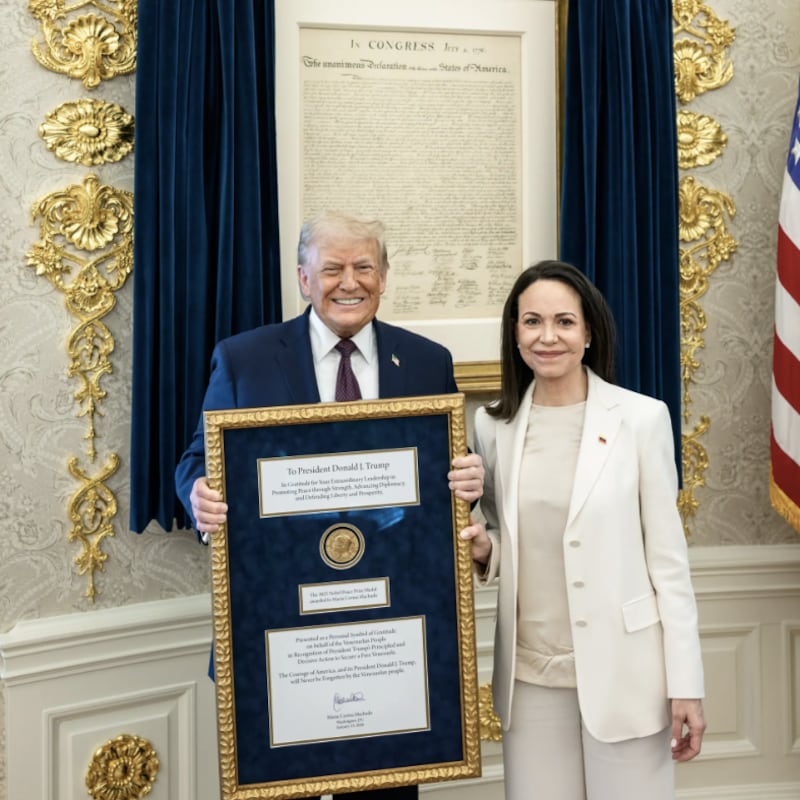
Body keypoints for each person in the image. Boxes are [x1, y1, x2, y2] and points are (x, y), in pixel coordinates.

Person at [175, 210, 485, 800]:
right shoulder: (244, 358)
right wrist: (199, 495)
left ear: (384, 277)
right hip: (279, 627)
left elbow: (443, 470)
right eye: (334, 268)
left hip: (389, 630)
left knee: (385, 791)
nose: (350, 282)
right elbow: (198, 458)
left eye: (364, 266)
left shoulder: (427, 362)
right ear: (303, 278)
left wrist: (466, 477)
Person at [460, 260, 705, 800]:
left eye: (564, 322)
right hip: (529, 679)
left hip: (627, 674)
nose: (548, 336)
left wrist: (687, 683)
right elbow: (505, 533)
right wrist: (485, 549)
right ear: (515, 333)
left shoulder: (641, 419)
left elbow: (668, 561)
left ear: (589, 332)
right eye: (532, 322)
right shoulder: (491, 426)